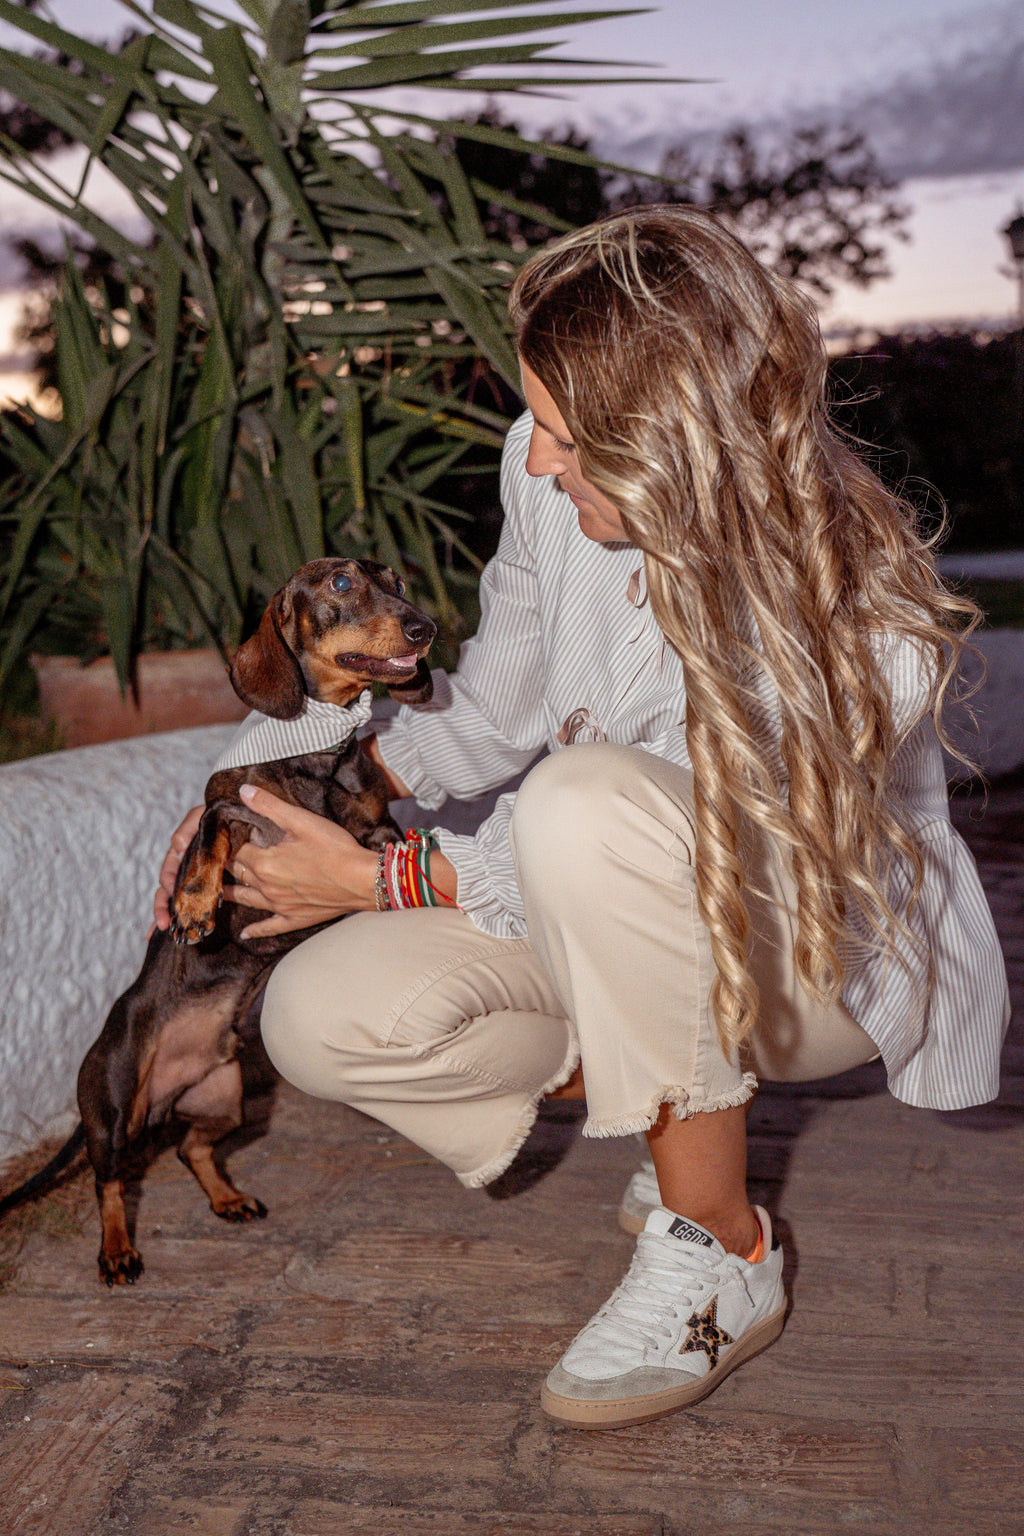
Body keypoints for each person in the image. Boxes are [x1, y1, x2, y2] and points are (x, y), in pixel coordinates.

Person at [156, 206, 1009, 1430]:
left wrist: (385, 883)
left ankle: (722, 1244)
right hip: (601, 885)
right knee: (317, 1018)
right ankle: (663, 1094)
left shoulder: (852, 594)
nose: (537, 461)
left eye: (564, 435)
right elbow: (496, 708)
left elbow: (712, 831)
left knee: (582, 803)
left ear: (673, 443)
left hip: (820, 952)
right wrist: (248, 797)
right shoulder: (543, 474)